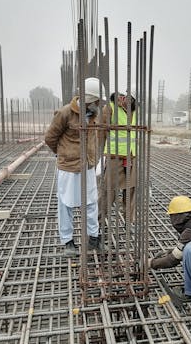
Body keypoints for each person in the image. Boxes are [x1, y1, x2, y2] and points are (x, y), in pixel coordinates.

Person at [45, 77, 105, 257]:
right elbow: (50, 138)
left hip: (88, 166)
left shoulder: (94, 115)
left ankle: (94, 239)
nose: (99, 104)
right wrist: (63, 154)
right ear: (89, 99)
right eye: (97, 101)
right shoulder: (65, 113)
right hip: (68, 168)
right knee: (66, 204)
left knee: (91, 202)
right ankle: (68, 242)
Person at [98, 89, 137, 225]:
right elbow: (100, 132)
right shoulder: (110, 108)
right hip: (115, 157)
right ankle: (98, 222)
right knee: (108, 192)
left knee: (130, 191)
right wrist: (100, 154)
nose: (129, 102)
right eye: (128, 98)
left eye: (133, 101)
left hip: (131, 157)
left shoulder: (135, 111)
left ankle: (129, 222)